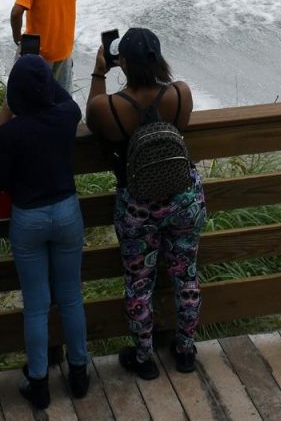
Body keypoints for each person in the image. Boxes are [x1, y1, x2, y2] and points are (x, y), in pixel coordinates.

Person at [85, 28, 206, 380]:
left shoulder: (109, 108)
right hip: (184, 198)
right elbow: (179, 127)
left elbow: (92, 117)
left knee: (139, 282)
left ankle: (144, 357)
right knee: (186, 274)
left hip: (138, 206)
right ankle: (185, 350)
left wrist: (99, 71)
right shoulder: (180, 94)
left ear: (123, 61)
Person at [0, 54, 91, 408]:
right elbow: (65, 99)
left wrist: (9, 102)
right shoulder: (66, 116)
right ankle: (78, 373)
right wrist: (46, 81)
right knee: (70, 297)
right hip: (66, 212)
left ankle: (38, 383)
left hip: (29, 218)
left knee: (36, 306)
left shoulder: (11, 133)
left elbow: (0, 181)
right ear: (48, 87)